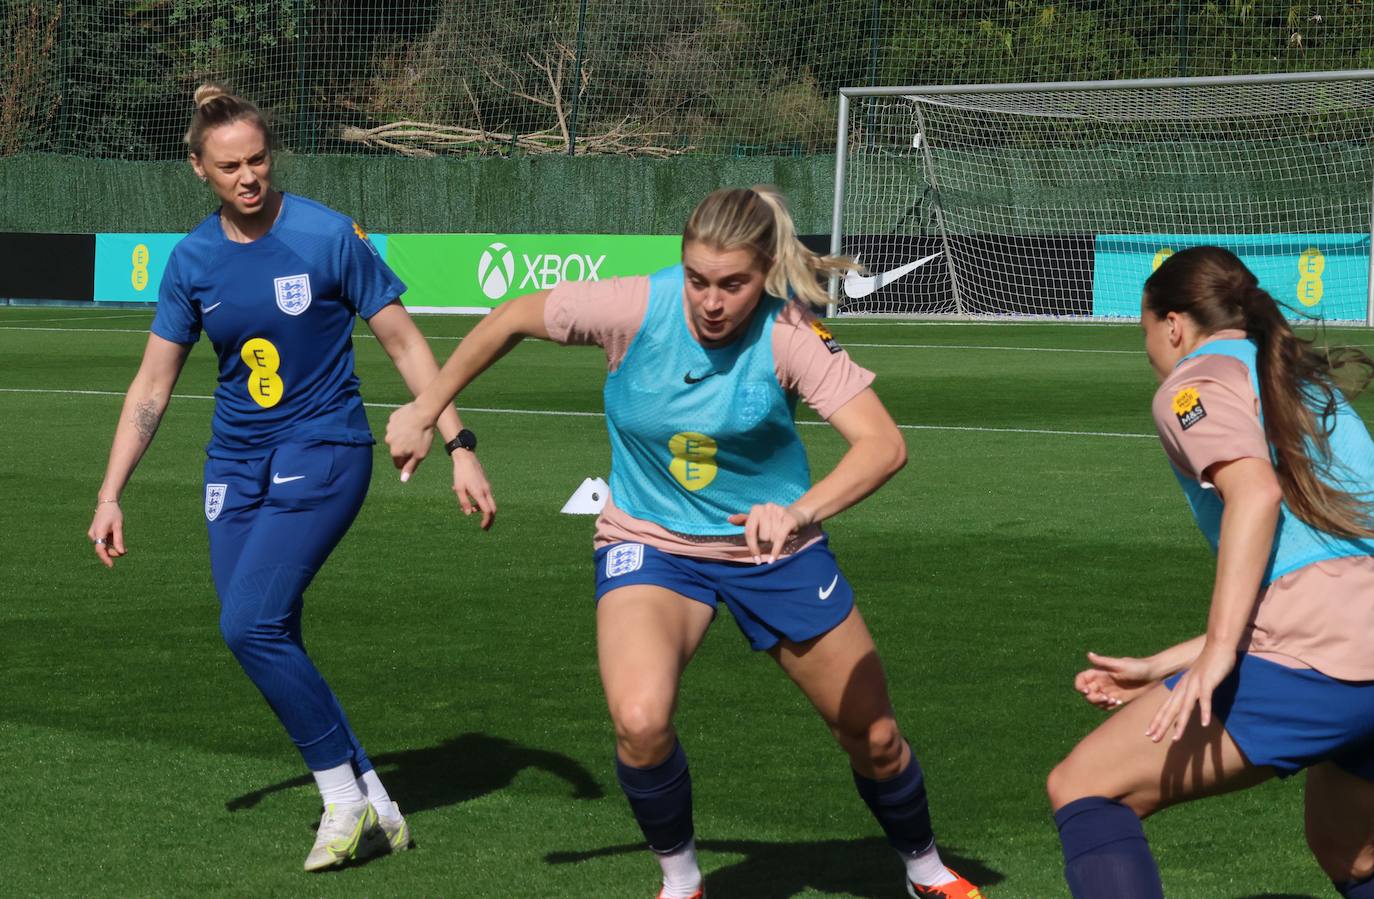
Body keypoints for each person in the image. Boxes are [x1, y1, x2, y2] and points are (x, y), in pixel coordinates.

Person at [386, 186, 984, 899]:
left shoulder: (791, 333)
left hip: (774, 551)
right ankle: (681, 882)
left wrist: (798, 513)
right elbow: (511, 316)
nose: (711, 301)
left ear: (766, 272)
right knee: (640, 722)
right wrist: (426, 408)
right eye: (698, 279)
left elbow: (883, 445)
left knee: (875, 737)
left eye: (733, 285)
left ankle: (924, 869)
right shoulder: (635, 306)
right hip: (651, 540)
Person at [85, 83, 496, 872]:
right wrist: (110, 494)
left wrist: (459, 442)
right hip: (233, 466)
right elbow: (152, 387)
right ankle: (378, 801)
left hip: (326, 447)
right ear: (199, 169)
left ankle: (341, 801)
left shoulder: (325, 235)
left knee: (249, 624)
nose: (249, 176)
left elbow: (406, 344)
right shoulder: (192, 260)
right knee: (268, 633)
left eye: (259, 159)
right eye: (230, 166)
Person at [1046, 246, 1374, 898]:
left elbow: (1256, 494)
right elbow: (1325, 573)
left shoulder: (1191, 385)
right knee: (1350, 850)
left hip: (1329, 659)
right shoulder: (1303, 380)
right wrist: (1163, 663)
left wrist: (1219, 651)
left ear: (1173, 325)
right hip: (1349, 647)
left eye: (1144, 330)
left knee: (1084, 787)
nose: (1147, 349)